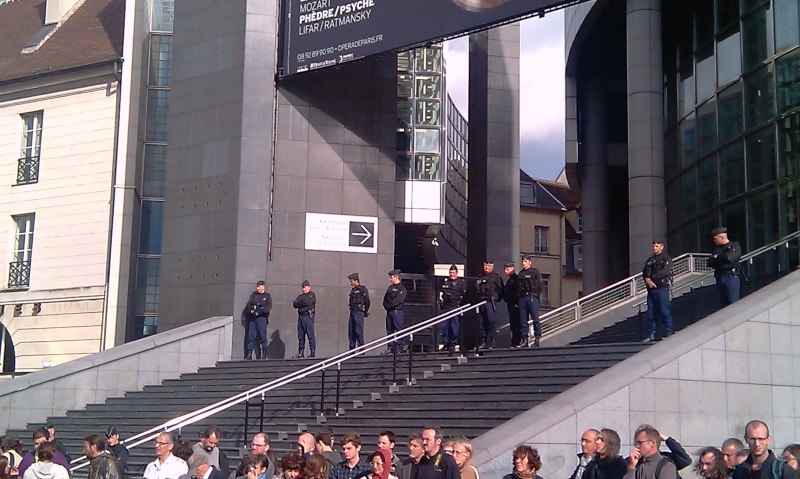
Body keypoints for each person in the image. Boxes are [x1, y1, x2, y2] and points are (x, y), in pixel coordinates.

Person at [642, 239, 673, 342]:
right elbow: (645, 272)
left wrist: (653, 277)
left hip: (662, 288)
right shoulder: (650, 260)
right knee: (651, 313)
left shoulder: (666, 258)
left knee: (664, 311)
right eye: (653, 246)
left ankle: (668, 331)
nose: (654, 248)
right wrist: (647, 279)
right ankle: (651, 333)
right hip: (651, 290)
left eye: (657, 246)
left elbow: (666, 271)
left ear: (661, 247)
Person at [708, 227, 743, 307]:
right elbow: (710, 262)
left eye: (715, 239)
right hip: (720, 277)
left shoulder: (734, 246)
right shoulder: (717, 250)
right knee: (723, 304)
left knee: (733, 303)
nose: (714, 241)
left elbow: (729, 258)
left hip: (731, 277)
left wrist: (718, 258)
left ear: (722, 237)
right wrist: (721, 258)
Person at [475, 261, 504, 349]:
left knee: (491, 321)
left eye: (488, 266)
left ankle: (491, 341)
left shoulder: (496, 277)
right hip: (481, 302)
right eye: (485, 265)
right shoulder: (480, 276)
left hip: (489, 302)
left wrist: (496, 298)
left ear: (492, 267)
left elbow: (501, 289)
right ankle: (483, 341)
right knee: (481, 323)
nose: (486, 267)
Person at [439, 265, 466, 352]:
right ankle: (446, 343)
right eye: (450, 272)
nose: (451, 274)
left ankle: (453, 344)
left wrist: (460, 304)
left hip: (454, 307)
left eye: (453, 272)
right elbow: (441, 292)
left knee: (454, 327)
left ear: (456, 273)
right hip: (445, 307)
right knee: (444, 327)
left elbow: (464, 296)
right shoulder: (446, 282)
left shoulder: (461, 283)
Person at [518, 255, 544, 347]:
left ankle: (537, 339)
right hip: (522, 298)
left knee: (535, 318)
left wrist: (536, 295)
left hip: (532, 296)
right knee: (523, 320)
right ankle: (525, 340)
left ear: (530, 262)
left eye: (525, 261)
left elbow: (540, 285)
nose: (523, 263)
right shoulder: (520, 273)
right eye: (523, 261)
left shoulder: (535, 272)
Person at [245, 280, 272, 360]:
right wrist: (252, 311)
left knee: (262, 336)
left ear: (263, 287)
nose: (257, 288)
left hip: (262, 318)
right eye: (257, 287)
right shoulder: (254, 295)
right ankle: (249, 354)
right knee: (251, 336)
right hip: (253, 318)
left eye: (259, 286)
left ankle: (263, 354)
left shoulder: (267, 296)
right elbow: (249, 305)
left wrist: (259, 312)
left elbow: (267, 308)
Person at [383, 270, 408, 354]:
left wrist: (391, 305)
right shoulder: (390, 288)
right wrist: (387, 306)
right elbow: (385, 299)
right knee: (389, 330)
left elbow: (399, 300)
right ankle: (390, 347)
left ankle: (401, 346)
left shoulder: (401, 288)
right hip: (390, 311)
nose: (390, 279)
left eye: (392, 277)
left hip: (397, 311)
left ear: (396, 277)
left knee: (399, 328)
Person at [293, 280, 317, 358]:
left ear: (309, 287)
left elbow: (309, 303)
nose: (304, 289)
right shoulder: (300, 296)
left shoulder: (312, 295)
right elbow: (295, 304)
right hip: (301, 317)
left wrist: (301, 305)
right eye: (303, 287)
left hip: (308, 316)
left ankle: (312, 351)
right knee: (301, 335)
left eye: (305, 287)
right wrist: (303, 304)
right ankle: (301, 352)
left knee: (310, 334)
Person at [347, 273, 371, 350]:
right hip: (353, 312)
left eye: (351, 281)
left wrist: (365, 311)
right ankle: (351, 348)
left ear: (356, 280)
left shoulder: (362, 289)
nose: (350, 283)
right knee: (351, 331)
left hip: (359, 312)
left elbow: (367, 301)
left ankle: (361, 348)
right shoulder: (353, 290)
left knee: (359, 331)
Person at [502, 262, 522, 348]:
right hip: (511, 304)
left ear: (512, 269)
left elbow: (516, 292)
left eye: (507, 269)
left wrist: (516, 302)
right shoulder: (510, 280)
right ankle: (515, 341)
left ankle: (516, 341)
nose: (505, 271)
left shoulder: (515, 280)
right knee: (513, 323)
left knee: (516, 323)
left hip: (514, 304)